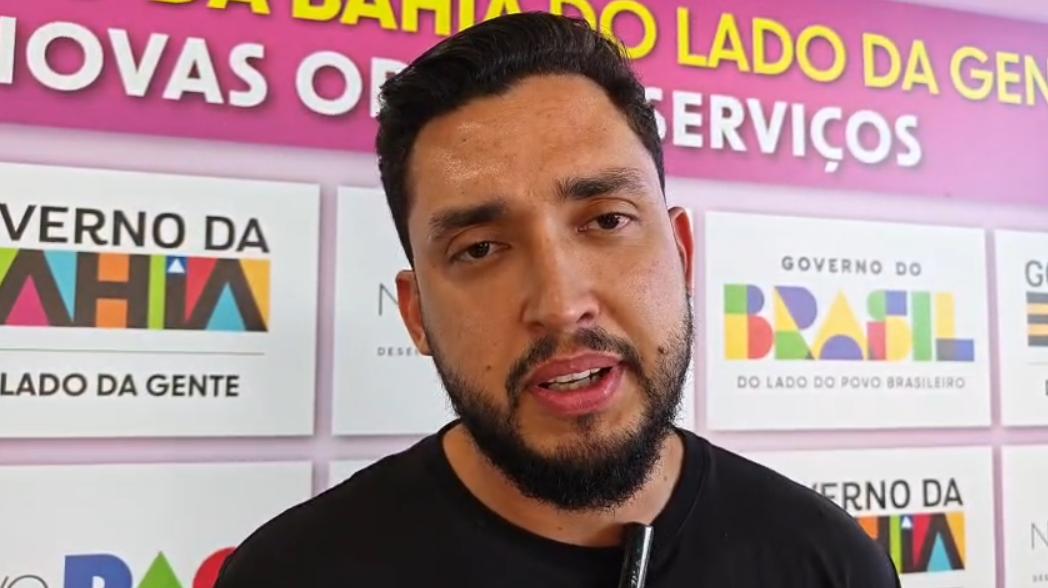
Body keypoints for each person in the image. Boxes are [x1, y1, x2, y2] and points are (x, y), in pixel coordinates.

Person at [212, 11, 901, 588]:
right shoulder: (290, 574)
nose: (561, 304)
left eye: (607, 220)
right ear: (416, 314)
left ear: (682, 254)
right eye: (481, 249)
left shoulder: (831, 564)